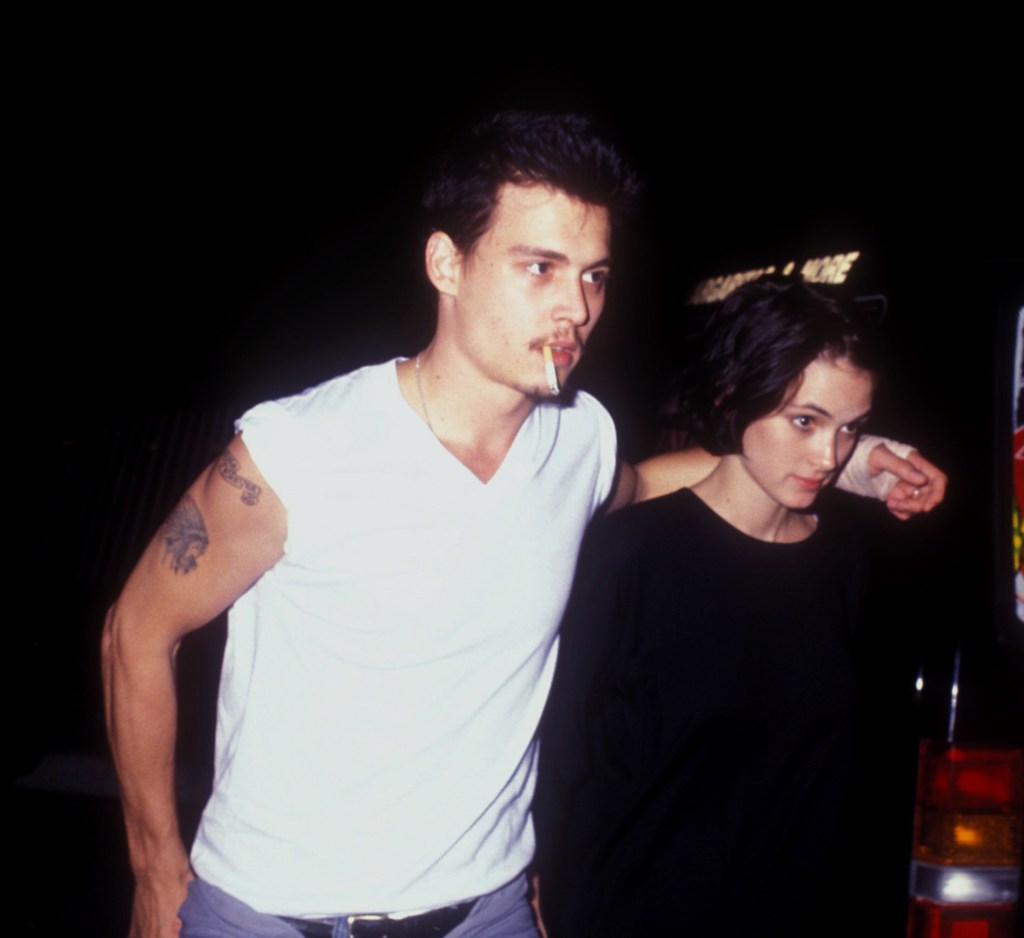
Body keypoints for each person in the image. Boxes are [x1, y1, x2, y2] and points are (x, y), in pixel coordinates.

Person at [102, 114, 943, 938]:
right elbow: (136, 632)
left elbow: (665, 478)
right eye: (539, 267)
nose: (575, 307)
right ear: (447, 263)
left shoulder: (578, 439)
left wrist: (855, 463)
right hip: (270, 912)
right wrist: (155, 868)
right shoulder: (298, 450)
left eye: (594, 275)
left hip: (487, 910)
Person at [536, 276, 911, 937]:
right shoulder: (629, 555)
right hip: (629, 914)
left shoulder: (847, 562)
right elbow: (562, 757)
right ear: (730, 397)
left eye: (851, 428)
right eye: (805, 421)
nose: (828, 456)